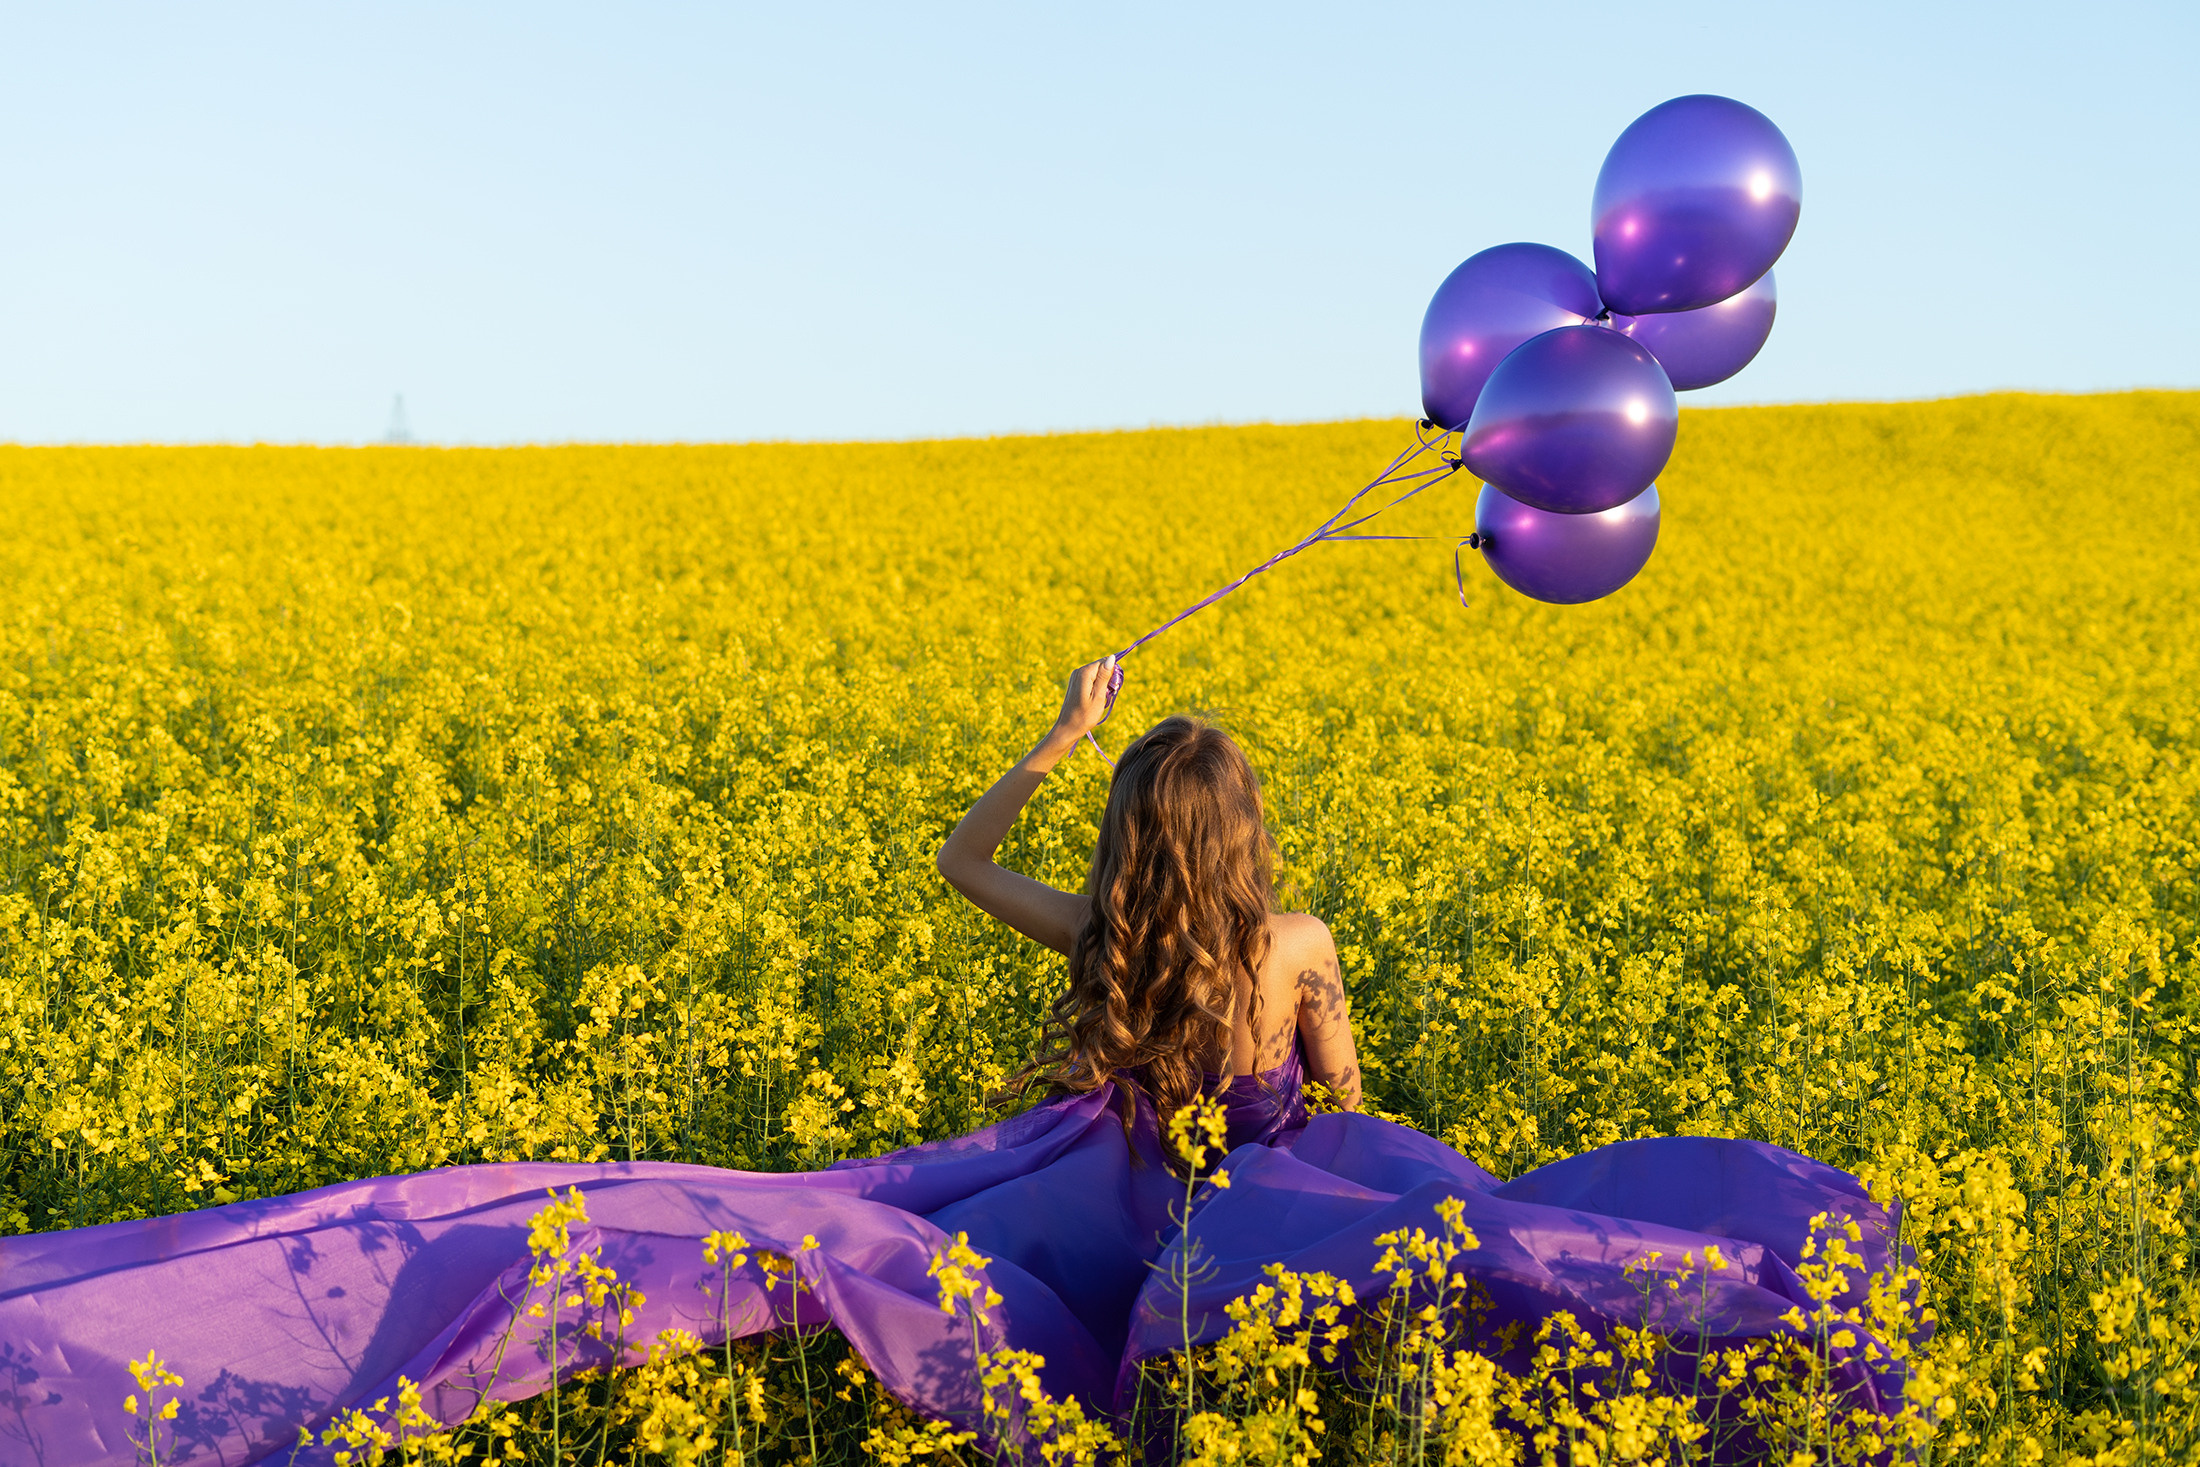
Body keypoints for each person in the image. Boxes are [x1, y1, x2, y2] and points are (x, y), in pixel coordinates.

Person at [0, 664, 1916, 1467]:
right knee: (1470, 1246)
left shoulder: (1108, 930)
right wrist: (1332, 1128)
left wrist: (1059, 727)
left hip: (1114, 1184)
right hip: (1280, 1179)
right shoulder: (1300, 941)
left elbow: (955, 863)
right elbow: (1339, 1093)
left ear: (1141, 844)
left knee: (834, 1230)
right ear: (1247, 841)